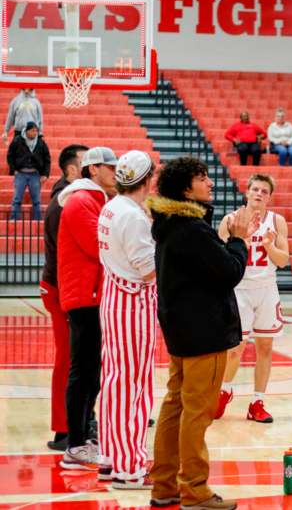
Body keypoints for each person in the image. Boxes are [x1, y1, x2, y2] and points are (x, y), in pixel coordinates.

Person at [148, 157, 255, 510]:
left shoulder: (170, 223)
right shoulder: (190, 228)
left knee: (175, 406)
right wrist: (239, 240)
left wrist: (223, 240)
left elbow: (206, 268)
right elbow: (228, 272)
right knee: (196, 412)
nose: (210, 182)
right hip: (203, 332)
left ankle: (164, 485)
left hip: (181, 330)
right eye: (202, 178)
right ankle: (194, 488)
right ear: (185, 189)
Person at [96, 150, 157, 489]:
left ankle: (110, 456)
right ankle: (129, 465)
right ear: (148, 180)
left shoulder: (111, 206)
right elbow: (148, 271)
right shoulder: (132, 216)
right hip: (133, 302)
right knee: (132, 386)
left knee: (115, 381)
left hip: (115, 297)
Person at [56, 146, 118, 470]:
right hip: (84, 297)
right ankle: (75, 444)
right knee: (83, 371)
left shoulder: (95, 201)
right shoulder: (81, 201)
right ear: (93, 169)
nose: (115, 172)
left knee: (91, 371)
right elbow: (99, 246)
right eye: (110, 167)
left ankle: (82, 438)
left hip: (93, 294)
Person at [215, 174, 290, 424]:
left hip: (267, 288)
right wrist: (242, 241)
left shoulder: (277, 222)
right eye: (255, 189)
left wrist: (269, 246)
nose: (259, 194)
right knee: (234, 349)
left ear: (269, 197)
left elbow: (282, 260)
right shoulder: (230, 220)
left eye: (264, 191)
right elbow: (219, 260)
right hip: (239, 289)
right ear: (247, 192)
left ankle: (257, 401)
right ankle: (224, 391)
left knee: (265, 347)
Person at [40, 144, 87, 451]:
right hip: (61, 289)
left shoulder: (73, 197)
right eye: (88, 163)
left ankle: (81, 419)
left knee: (78, 359)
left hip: (64, 286)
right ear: (73, 170)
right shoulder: (65, 201)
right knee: (68, 359)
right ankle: (62, 429)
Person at [7, 121, 50, 220]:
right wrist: (13, 170)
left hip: (35, 174)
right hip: (20, 173)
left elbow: (47, 159)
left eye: (36, 131)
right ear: (26, 131)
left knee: (36, 200)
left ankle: (37, 220)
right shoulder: (17, 140)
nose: (35, 133)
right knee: (17, 199)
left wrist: (45, 174)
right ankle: (14, 220)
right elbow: (10, 155)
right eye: (32, 131)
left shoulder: (41, 142)